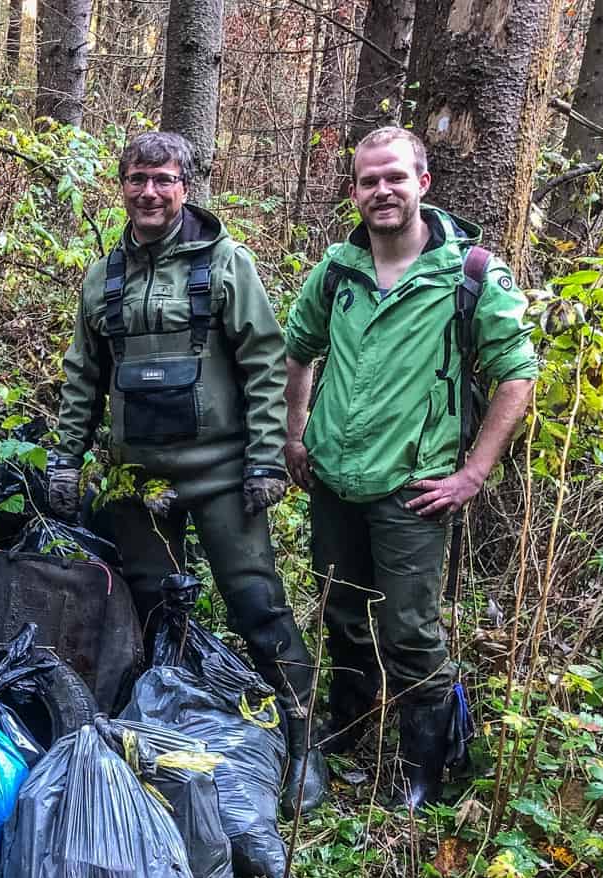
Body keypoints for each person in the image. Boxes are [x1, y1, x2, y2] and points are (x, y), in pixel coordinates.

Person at [48, 130, 329, 815]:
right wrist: (65, 457)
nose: (150, 192)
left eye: (164, 180)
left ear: (186, 187)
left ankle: (305, 738)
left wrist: (267, 455)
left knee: (256, 605)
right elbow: (84, 376)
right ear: (122, 186)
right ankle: (162, 734)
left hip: (223, 473)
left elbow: (265, 363)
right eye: (138, 179)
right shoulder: (102, 275)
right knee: (150, 609)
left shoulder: (226, 264)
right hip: (135, 480)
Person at [281, 126, 537, 810]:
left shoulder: (470, 273)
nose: (382, 191)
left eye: (395, 177)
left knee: (410, 630)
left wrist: (473, 474)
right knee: (342, 611)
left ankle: (428, 764)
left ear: (423, 182)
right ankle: (349, 724)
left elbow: (517, 376)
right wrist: (295, 433)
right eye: (369, 180)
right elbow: (298, 350)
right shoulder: (337, 271)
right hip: (332, 480)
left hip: (412, 491)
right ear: (354, 192)